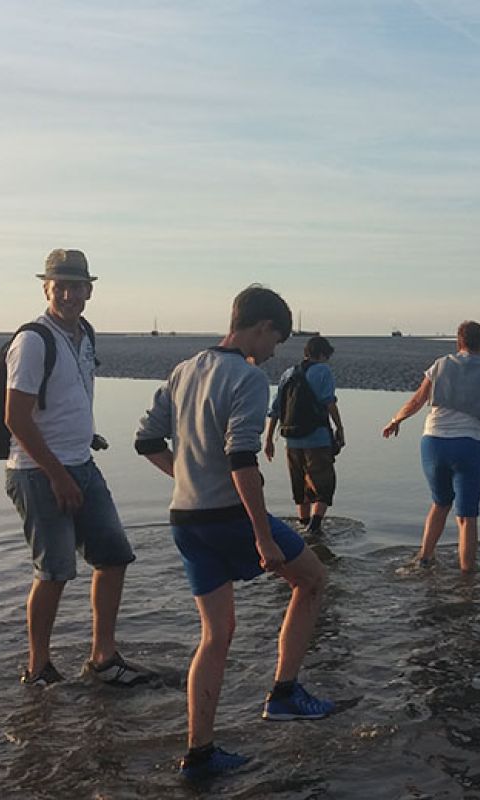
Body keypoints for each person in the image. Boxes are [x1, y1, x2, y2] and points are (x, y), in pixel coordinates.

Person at [134, 285, 336, 782]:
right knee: (312, 581)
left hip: (185, 518)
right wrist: (263, 536)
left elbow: (145, 439)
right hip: (231, 516)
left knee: (216, 635)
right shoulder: (246, 378)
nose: (273, 354)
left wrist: (187, 475)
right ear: (262, 327)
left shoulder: (184, 370)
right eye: (276, 342)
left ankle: (199, 754)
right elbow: (242, 458)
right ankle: (285, 693)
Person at [2, 249, 150, 689]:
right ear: (46, 288)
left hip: (80, 462)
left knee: (114, 557)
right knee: (54, 571)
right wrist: (58, 475)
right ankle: (38, 668)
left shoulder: (84, 334)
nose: (68, 294)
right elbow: (16, 418)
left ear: (89, 290)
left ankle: (103, 657)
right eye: (59, 285)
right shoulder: (33, 341)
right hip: (37, 471)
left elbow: (66, 398)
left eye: (76, 286)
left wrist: (85, 436)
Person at [381, 321, 480, 572]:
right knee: (467, 517)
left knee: (440, 503)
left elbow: (417, 400)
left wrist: (395, 420)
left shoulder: (440, 365)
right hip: (468, 445)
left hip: (433, 443)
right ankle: (467, 577)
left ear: (458, 342)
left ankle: (424, 559)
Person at [264, 336, 344, 535]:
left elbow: (275, 409)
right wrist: (339, 427)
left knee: (300, 484)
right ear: (323, 354)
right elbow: (329, 402)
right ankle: (315, 527)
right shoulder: (323, 371)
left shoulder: (288, 373)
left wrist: (268, 440)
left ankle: (303, 523)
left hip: (291, 440)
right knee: (324, 484)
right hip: (316, 438)